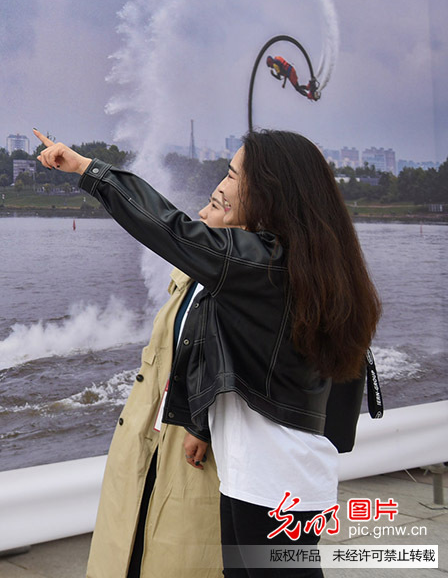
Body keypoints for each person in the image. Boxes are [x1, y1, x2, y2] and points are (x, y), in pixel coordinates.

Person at [34, 128, 380, 578]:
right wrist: (201, 424)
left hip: (275, 487)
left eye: (233, 174)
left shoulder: (266, 263)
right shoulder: (303, 264)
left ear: (269, 191)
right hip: (253, 477)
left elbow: (170, 228)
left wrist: (86, 169)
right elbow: (228, 355)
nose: (222, 183)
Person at [86, 193, 233, 578]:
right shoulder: (191, 275)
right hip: (148, 433)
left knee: (172, 551)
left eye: (217, 205)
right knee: (128, 548)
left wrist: (199, 424)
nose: (202, 213)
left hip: (189, 449)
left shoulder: (242, 286)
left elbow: (237, 365)